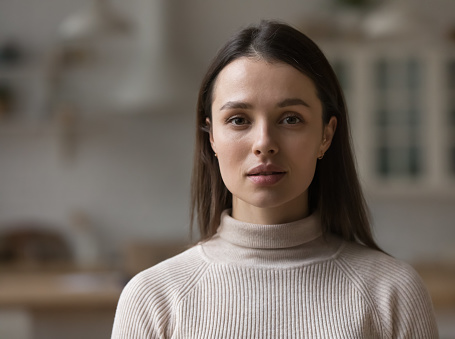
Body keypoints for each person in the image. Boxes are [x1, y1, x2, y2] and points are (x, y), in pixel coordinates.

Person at [111, 20, 438, 338]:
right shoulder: (153, 299)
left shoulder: (392, 292)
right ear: (212, 136)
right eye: (238, 119)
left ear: (326, 135)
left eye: (291, 119)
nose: (264, 142)